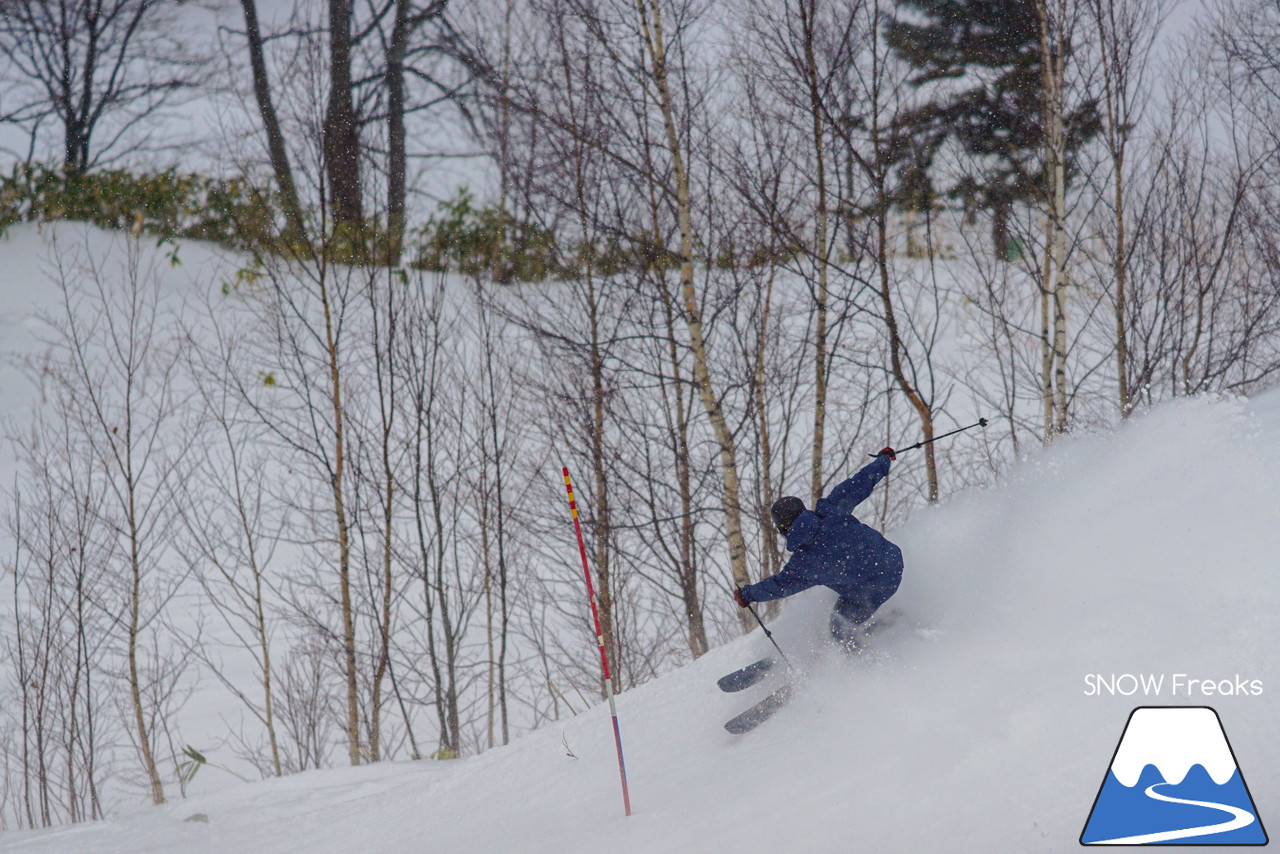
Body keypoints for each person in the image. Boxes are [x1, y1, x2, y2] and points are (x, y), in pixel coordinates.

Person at [733, 448, 903, 650]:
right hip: (893, 562)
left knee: (840, 628)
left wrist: (747, 595)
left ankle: (858, 659)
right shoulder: (830, 509)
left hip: (872, 591)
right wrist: (883, 460)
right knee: (848, 588)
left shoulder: (804, 563)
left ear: (783, 529)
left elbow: (778, 586)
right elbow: (861, 483)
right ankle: (890, 620)